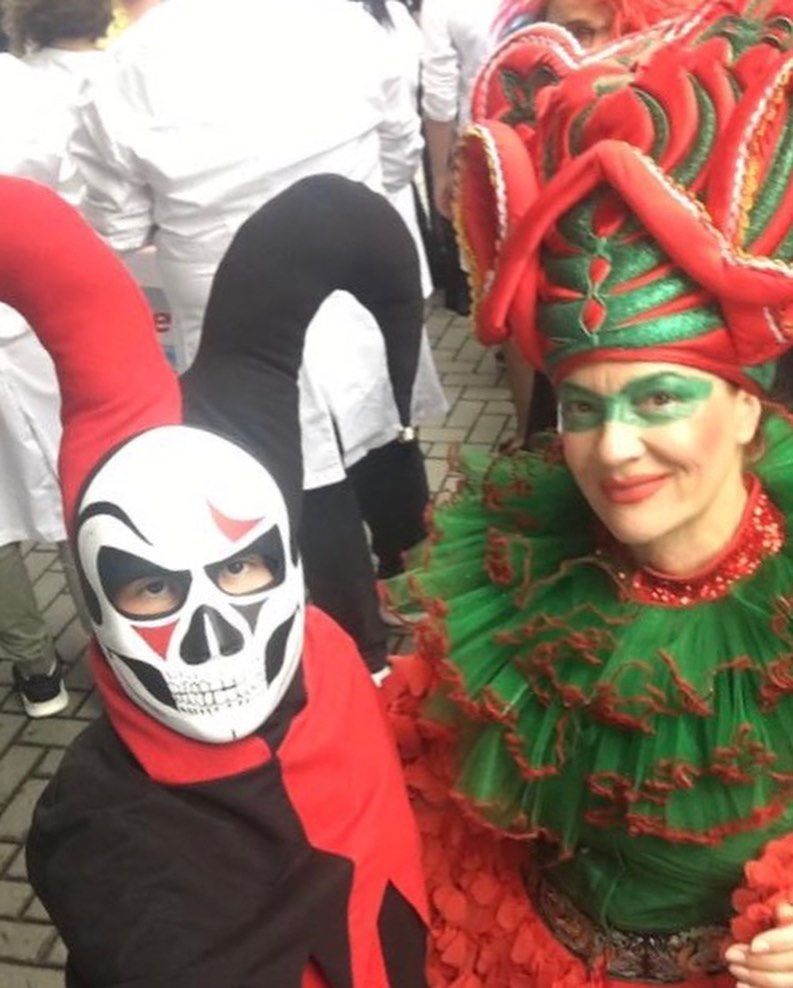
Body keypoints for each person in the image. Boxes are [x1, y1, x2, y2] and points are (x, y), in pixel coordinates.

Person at [385, 1, 793, 984]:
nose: (612, 450)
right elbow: (439, 774)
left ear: (745, 409)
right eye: (581, 407)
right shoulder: (512, 565)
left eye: (658, 397)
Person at [20, 173, 429, 986]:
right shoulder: (118, 842)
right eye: (151, 588)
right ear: (95, 598)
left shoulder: (328, 661)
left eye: (240, 566)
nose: (209, 638)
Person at [70, 0, 440, 679]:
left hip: (228, 304)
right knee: (386, 426)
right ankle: (421, 598)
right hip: (354, 278)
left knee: (290, 475)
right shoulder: (342, 21)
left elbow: (117, 226)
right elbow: (399, 153)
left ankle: (357, 656)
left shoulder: (124, 68)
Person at [0, 50, 87, 717]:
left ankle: (36, 672)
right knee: (76, 479)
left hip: (36, 311)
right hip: (37, 305)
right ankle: (115, 647)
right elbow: (75, 186)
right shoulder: (20, 84)